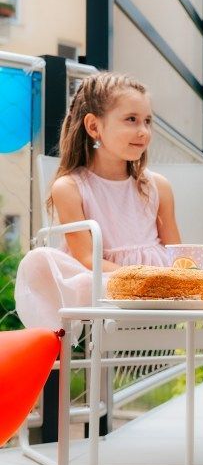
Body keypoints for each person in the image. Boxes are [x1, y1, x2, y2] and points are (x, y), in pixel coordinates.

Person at [14, 72, 179, 331]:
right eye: (131, 120)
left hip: (162, 288)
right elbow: (88, 259)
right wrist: (138, 278)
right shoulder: (69, 188)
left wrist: (169, 280)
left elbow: (177, 252)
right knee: (40, 261)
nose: (143, 131)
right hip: (108, 284)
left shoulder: (158, 186)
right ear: (93, 127)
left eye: (148, 121)